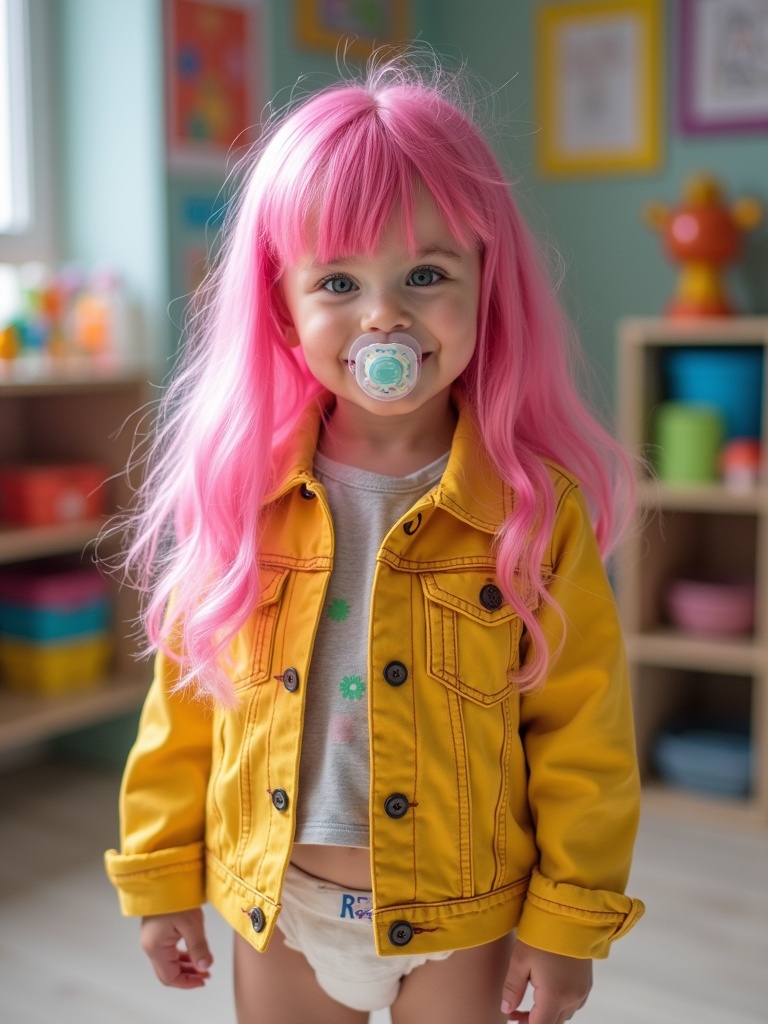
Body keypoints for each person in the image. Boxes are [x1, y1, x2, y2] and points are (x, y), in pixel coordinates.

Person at [105, 52, 644, 1024]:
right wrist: (159, 873)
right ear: (283, 304)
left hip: (464, 910)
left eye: (426, 274)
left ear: (488, 284)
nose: (385, 314)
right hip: (286, 908)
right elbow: (185, 703)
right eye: (340, 281)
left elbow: (583, 734)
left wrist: (569, 920)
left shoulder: (533, 509)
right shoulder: (243, 492)